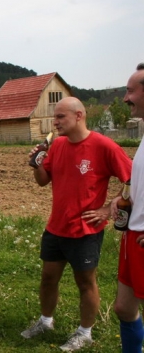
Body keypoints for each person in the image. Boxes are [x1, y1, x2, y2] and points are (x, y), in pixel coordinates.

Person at [22, 96, 132, 351]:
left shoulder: (104, 146)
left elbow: (133, 178)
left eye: (61, 117)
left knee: (85, 282)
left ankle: (85, 332)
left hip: (85, 231)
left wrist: (108, 208)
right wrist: (36, 164)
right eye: (55, 117)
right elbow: (42, 181)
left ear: (79, 116)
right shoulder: (58, 146)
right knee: (48, 278)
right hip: (55, 227)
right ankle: (45, 321)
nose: (55, 122)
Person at [111, 63, 144, 353]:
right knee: (123, 307)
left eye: (131, 91)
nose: (125, 98)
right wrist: (126, 197)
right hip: (132, 235)